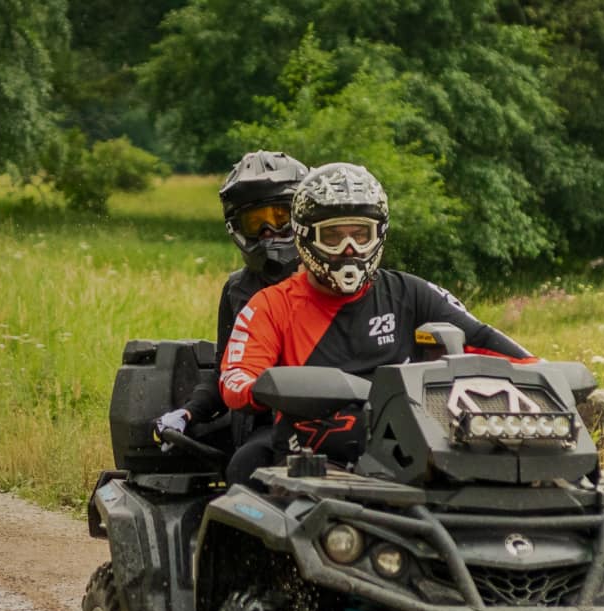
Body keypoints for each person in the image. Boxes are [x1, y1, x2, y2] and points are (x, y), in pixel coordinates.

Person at [218, 162, 532, 484]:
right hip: (314, 451)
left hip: (415, 440)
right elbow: (236, 379)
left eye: (360, 234)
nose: (349, 249)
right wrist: (273, 387)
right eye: (333, 236)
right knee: (246, 469)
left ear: (379, 235)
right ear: (304, 237)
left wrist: (544, 373)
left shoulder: (411, 292)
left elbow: (484, 338)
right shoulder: (271, 305)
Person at [153, 151, 309, 452]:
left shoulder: (333, 279)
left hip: (332, 417)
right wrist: (188, 413)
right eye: (256, 223)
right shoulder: (237, 289)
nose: (269, 232)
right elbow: (225, 371)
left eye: (281, 218)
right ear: (237, 229)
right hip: (264, 425)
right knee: (248, 462)